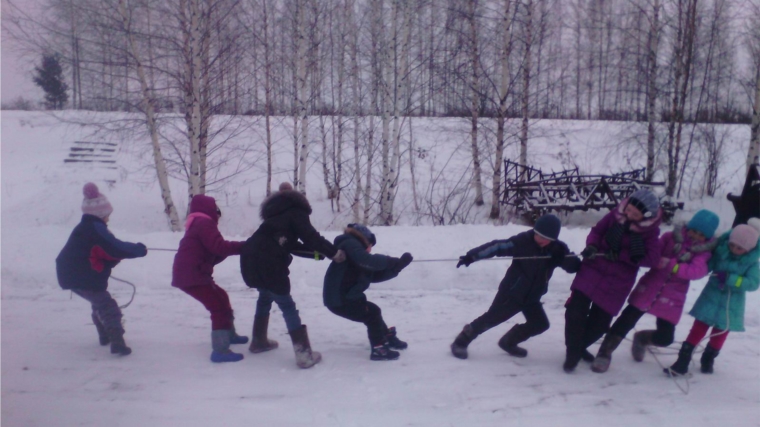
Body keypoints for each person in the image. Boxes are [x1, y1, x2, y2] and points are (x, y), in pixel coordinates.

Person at [590, 209, 719, 373]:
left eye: (701, 235)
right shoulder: (670, 238)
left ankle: (643, 338)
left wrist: (673, 265)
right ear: (689, 227)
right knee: (626, 321)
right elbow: (653, 252)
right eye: (694, 231)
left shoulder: (703, 253)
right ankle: (605, 352)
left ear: (707, 237)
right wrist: (656, 260)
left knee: (666, 337)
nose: (695, 236)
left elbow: (696, 271)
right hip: (649, 287)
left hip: (673, 297)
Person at [240, 182, 346, 369]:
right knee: (286, 304)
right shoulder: (296, 212)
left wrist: (318, 253)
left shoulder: (273, 217)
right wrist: (334, 253)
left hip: (249, 258)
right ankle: (304, 355)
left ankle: (259, 341)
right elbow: (311, 237)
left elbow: (289, 244)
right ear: (297, 200)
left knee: (265, 296)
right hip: (269, 263)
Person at [450, 214, 581, 360]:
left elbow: (574, 267)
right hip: (512, 293)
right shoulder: (523, 242)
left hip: (532, 297)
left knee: (540, 324)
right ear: (534, 231)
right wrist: (472, 256)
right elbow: (497, 246)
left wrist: (564, 258)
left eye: (547, 238)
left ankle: (508, 342)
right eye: (539, 235)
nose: (542, 240)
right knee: (491, 318)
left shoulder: (557, 249)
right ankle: (461, 341)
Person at [564, 189, 662, 373]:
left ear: (645, 215)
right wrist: (592, 246)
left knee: (599, 325)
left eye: (635, 213)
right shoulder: (615, 215)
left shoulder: (650, 233)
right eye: (629, 209)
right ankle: (573, 353)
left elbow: (652, 259)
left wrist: (624, 255)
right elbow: (597, 232)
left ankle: (577, 347)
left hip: (618, 283)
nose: (629, 214)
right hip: (592, 270)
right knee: (575, 313)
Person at [56, 182, 147, 356]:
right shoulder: (95, 228)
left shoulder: (86, 228)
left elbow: (102, 252)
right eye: (107, 215)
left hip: (72, 274)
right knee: (107, 306)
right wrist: (138, 249)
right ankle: (117, 342)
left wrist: (116, 257)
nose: (108, 218)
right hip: (81, 275)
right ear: (100, 214)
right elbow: (114, 247)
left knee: (98, 302)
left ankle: (104, 336)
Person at [665, 220, 760, 376]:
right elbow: (707, 265)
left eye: (740, 248)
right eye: (732, 245)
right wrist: (695, 268)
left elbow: (753, 283)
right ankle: (682, 361)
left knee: (719, 334)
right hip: (710, 297)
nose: (735, 250)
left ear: (748, 249)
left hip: (731, 304)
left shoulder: (752, 264)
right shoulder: (721, 252)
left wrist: (731, 278)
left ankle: (708, 357)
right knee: (697, 329)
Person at [172, 194, 247, 363]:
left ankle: (229, 334)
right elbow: (219, 247)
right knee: (218, 306)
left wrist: (229, 250)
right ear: (210, 210)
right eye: (216, 209)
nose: (218, 213)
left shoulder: (197, 223)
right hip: (192, 275)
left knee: (221, 296)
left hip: (191, 273)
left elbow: (213, 251)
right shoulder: (204, 223)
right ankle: (220, 350)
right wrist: (244, 246)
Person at [323, 224, 413, 361]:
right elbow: (368, 261)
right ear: (364, 239)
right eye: (370, 244)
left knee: (373, 310)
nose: (370, 249)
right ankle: (379, 349)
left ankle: (386, 338)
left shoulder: (355, 255)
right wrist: (390, 261)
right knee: (372, 314)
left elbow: (374, 275)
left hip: (346, 297)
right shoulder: (350, 243)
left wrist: (397, 268)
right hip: (339, 299)